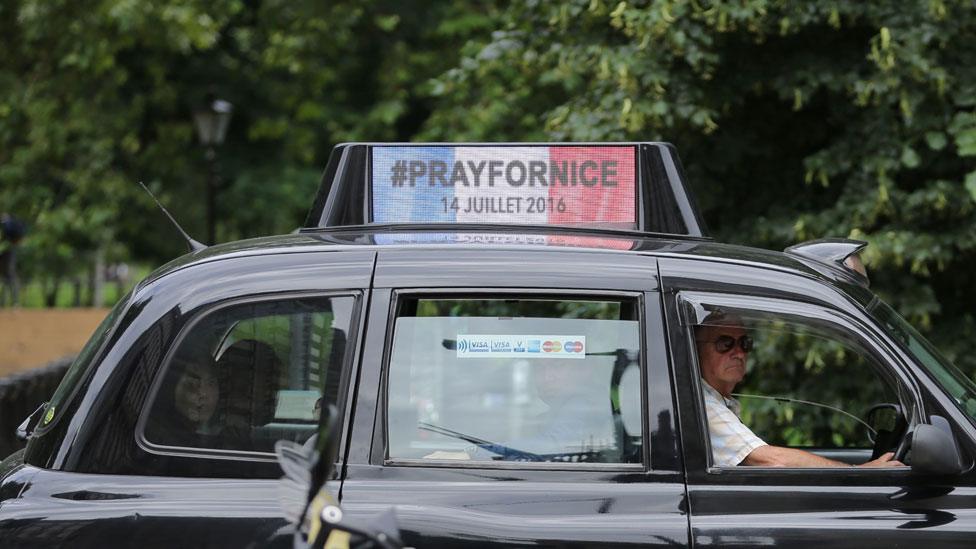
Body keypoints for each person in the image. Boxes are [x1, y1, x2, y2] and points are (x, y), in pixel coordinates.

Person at [696, 321, 905, 468]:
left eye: (745, 343)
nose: (739, 353)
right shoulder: (702, 406)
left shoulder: (718, 401)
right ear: (697, 350)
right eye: (725, 343)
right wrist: (858, 472)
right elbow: (770, 460)